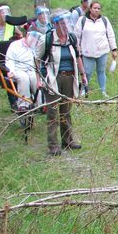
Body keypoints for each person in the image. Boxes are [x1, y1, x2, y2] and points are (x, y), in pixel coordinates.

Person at [37, 10, 88, 156]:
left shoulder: (71, 38)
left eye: (67, 22)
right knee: (53, 111)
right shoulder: (47, 39)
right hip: (53, 78)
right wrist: (40, 78)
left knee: (66, 111)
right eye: (62, 22)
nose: (65, 25)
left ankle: (68, 140)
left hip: (70, 78)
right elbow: (37, 59)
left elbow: (78, 57)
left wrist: (83, 74)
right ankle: (53, 145)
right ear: (55, 24)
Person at [74, 1, 118, 97]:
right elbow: (77, 36)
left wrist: (113, 49)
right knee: (87, 72)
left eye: (98, 8)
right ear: (90, 9)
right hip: (87, 51)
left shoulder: (104, 20)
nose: (97, 10)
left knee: (101, 71)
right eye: (95, 8)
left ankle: (103, 91)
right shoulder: (83, 20)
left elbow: (110, 35)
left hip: (102, 50)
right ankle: (84, 90)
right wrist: (78, 51)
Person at [5, 30, 41, 111]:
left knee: (35, 79)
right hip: (18, 69)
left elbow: (37, 60)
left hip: (31, 69)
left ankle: (40, 104)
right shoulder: (15, 45)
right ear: (27, 36)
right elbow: (10, 60)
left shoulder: (34, 47)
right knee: (24, 79)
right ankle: (24, 104)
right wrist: (11, 71)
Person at [0, 27, 23, 111]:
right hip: (0, 57)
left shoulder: (11, 27)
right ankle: (14, 103)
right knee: (8, 77)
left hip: (12, 57)